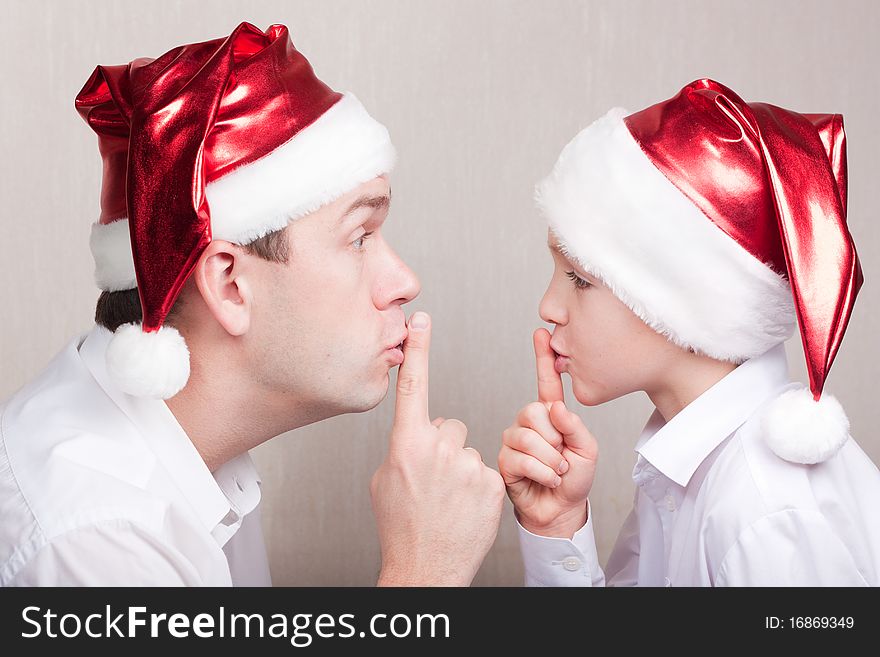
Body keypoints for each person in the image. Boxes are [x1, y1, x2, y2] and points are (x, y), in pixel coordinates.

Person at [0, 21, 504, 586]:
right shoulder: (96, 539)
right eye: (360, 237)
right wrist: (424, 572)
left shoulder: (198, 456)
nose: (404, 281)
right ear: (230, 284)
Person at [498, 78, 880, 586]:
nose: (549, 306)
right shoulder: (688, 468)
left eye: (579, 278)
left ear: (683, 299)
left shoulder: (764, 514)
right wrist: (557, 524)